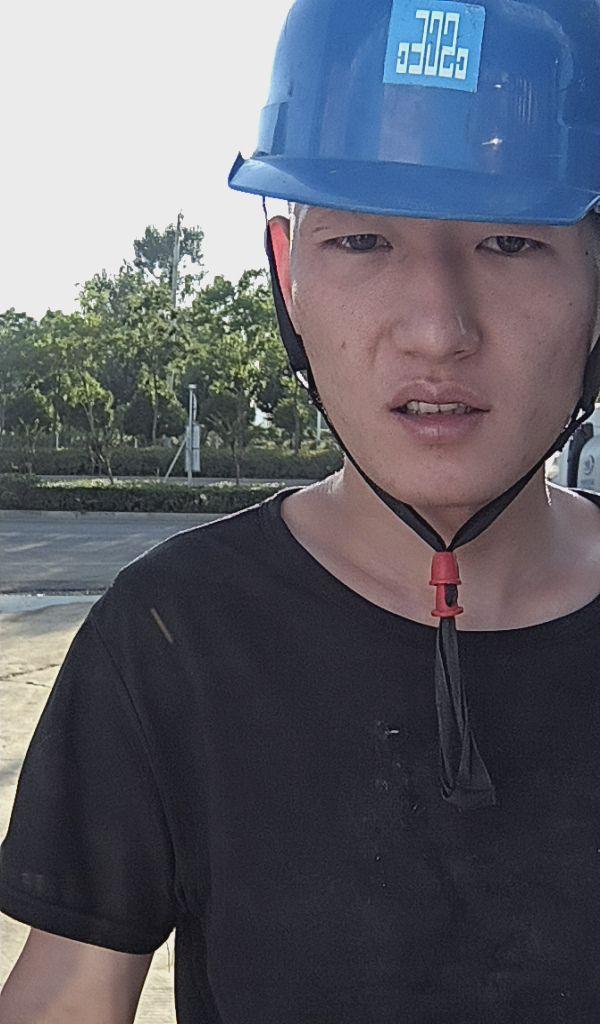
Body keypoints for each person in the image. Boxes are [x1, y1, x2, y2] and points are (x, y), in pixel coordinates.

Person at [1, 0, 600, 1021]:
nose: (437, 329)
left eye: (510, 241)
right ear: (286, 276)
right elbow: (68, 994)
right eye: (362, 240)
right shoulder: (172, 635)